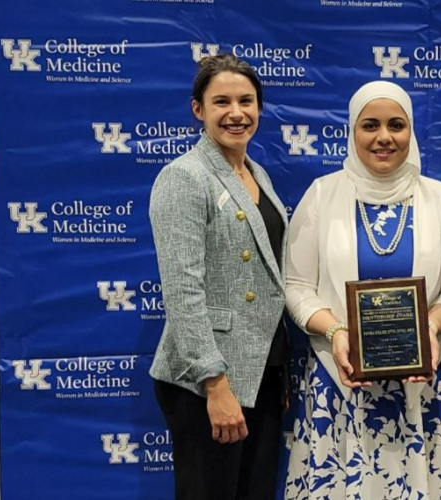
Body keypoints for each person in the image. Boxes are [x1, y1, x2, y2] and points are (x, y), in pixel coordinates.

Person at [284, 81, 441, 500]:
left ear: (411, 133)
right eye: (370, 125)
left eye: (396, 125)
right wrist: (336, 333)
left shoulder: (439, 199)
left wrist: (429, 326)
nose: (384, 137)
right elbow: (296, 287)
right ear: (352, 131)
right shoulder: (321, 194)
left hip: (421, 389)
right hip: (340, 385)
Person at [148, 54, 290, 500]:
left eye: (246, 101)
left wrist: (276, 373)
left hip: (261, 369)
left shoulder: (257, 173)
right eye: (221, 101)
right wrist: (215, 384)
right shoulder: (183, 178)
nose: (236, 113)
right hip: (208, 379)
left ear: (259, 108)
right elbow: (182, 291)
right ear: (198, 109)